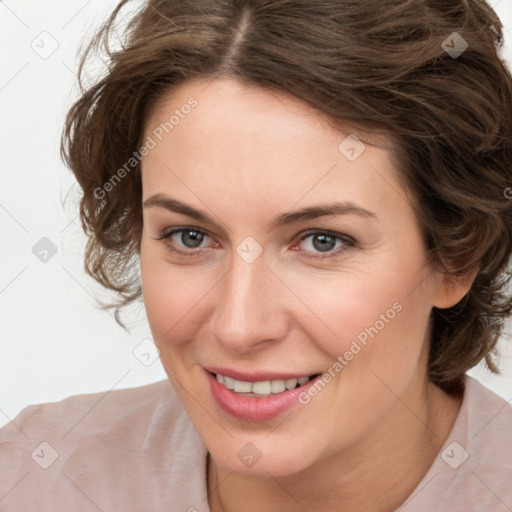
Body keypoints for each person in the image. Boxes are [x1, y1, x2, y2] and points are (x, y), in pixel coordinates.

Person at [2, 0, 512, 510]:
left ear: (457, 255)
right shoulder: (34, 480)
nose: (238, 328)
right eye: (190, 236)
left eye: (321, 241)